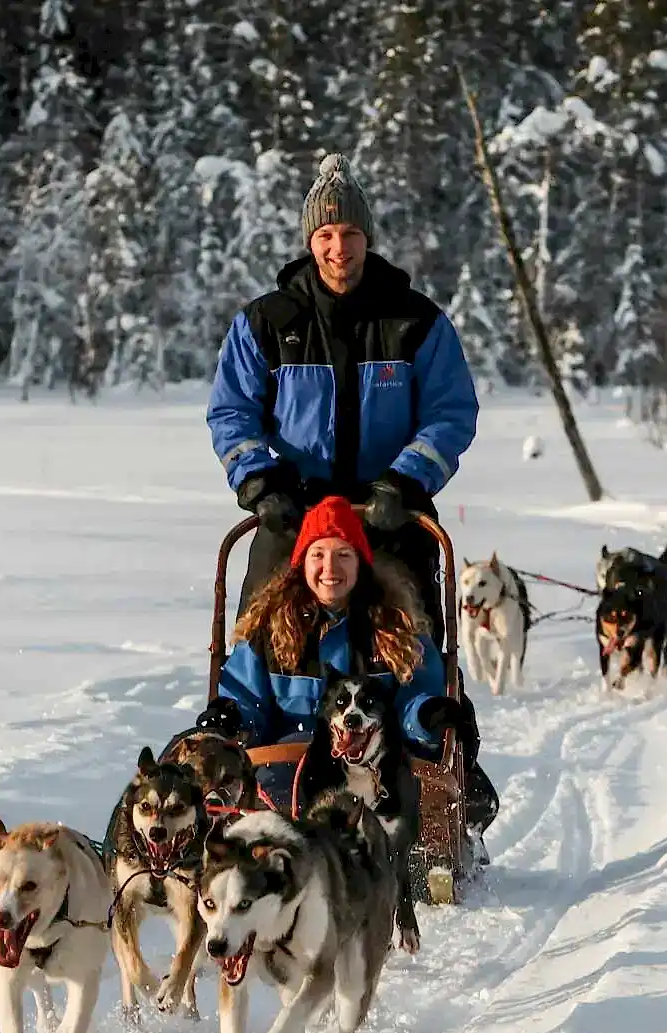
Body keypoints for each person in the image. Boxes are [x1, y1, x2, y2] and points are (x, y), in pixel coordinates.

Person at [206, 153, 496, 829]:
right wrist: (259, 478)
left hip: (387, 510)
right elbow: (231, 413)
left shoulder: (414, 322)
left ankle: (446, 779)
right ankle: (249, 763)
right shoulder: (268, 321)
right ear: (310, 242)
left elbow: (451, 413)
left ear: (369, 239)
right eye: (326, 235)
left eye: (352, 234)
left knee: (412, 640)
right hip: (293, 508)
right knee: (264, 632)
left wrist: (407, 478)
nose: (339, 247)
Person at [194, 498, 459, 801]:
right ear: (302, 564)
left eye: (343, 555)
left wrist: (426, 716)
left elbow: (415, 697)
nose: (330, 567)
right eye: (318, 554)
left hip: (373, 767)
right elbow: (246, 698)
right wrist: (232, 719)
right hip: (285, 771)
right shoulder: (267, 630)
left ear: (361, 563)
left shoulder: (397, 629)